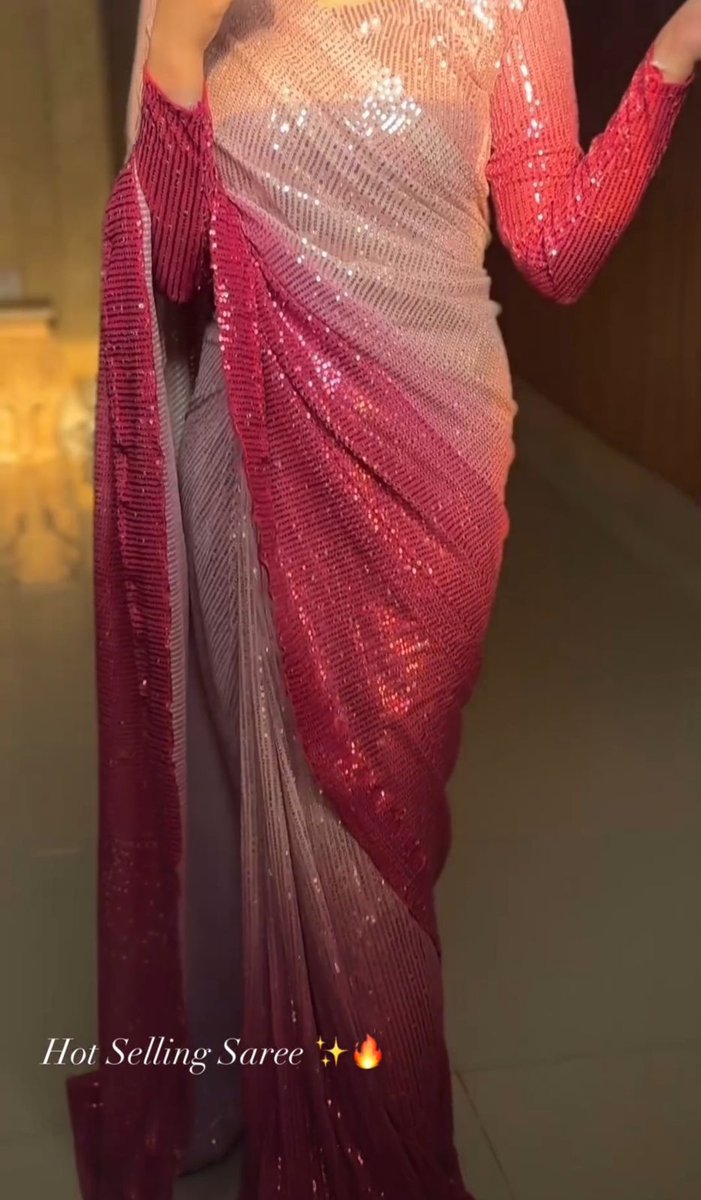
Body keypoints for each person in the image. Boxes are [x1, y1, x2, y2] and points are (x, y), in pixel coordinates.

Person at [68, 1, 699, 1197]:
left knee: (384, 832)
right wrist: (177, 55)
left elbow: (554, 253)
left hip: (438, 464)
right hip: (259, 457)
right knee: (308, 833)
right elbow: (176, 267)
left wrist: (673, 57)